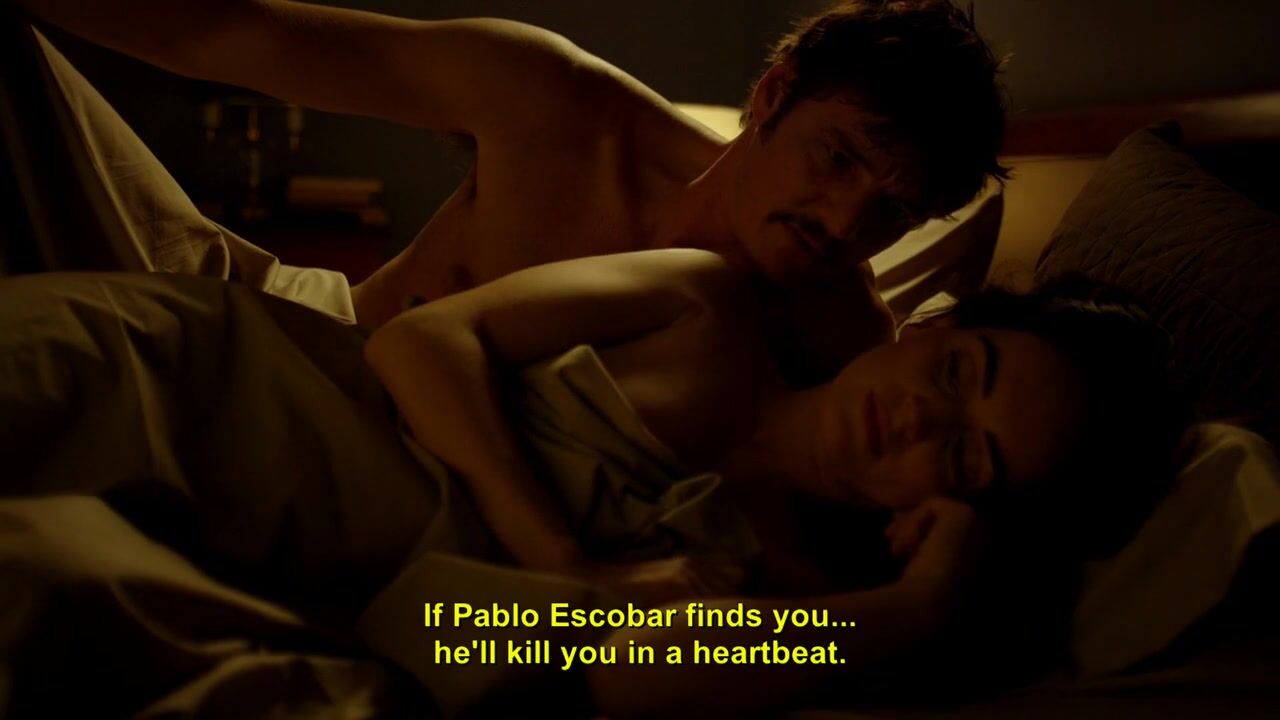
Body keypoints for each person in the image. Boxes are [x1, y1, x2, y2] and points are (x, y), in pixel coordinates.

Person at [364, 247, 1183, 716]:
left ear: (960, 508)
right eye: (957, 372)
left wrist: (917, 602)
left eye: (967, 455)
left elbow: (609, 674)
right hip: (331, 429)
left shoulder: (789, 585)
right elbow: (416, 341)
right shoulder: (702, 304)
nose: (920, 418)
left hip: (375, 594)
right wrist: (561, 560)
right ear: (935, 325)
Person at [15, 0, 1009, 384]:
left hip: (335, 443)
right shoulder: (557, 103)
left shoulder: (841, 340)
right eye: (837, 161)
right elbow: (222, 34)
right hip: (281, 310)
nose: (843, 224)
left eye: (893, 213)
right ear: (773, 95)